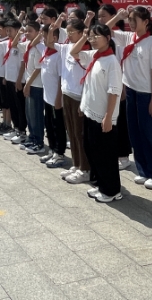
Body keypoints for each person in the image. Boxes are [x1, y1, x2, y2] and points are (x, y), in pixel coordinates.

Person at [107, 7, 152, 190]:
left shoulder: (151, 43)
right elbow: (105, 30)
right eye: (130, 20)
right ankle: (145, 170)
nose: (132, 23)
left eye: (135, 20)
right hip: (131, 92)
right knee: (135, 134)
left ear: (146, 22)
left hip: (146, 94)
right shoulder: (129, 37)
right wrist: (117, 17)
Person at [72, 23, 124, 203]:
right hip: (90, 111)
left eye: (96, 36)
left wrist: (108, 116)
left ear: (108, 39)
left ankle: (111, 190)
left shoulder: (111, 62)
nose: (92, 40)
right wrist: (85, 37)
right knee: (92, 149)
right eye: (91, 37)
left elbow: (114, 91)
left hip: (103, 116)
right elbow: (74, 53)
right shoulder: (95, 56)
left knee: (106, 154)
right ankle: (101, 185)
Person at [56, 16, 93, 184]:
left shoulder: (86, 50)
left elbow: (75, 54)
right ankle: (77, 164)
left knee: (80, 134)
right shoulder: (67, 46)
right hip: (68, 93)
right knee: (71, 133)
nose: (69, 34)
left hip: (79, 96)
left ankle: (85, 169)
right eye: (68, 31)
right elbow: (50, 42)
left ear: (81, 32)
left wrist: (85, 35)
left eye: (72, 32)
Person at [98, 4, 133, 171]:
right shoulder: (105, 38)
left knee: (120, 121)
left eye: (103, 16)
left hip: (121, 83)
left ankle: (124, 155)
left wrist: (123, 86)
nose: (100, 20)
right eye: (99, 16)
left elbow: (123, 63)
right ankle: (116, 152)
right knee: (112, 118)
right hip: (107, 84)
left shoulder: (119, 37)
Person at [37, 24, 67, 168]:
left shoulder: (58, 55)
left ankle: (59, 153)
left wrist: (58, 98)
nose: (43, 39)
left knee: (57, 126)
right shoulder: (47, 52)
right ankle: (52, 149)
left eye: (45, 36)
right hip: (47, 96)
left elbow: (61, 78)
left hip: (56, 99)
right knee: (48, 125)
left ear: (54, 38)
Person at [20, 21, 46, 154]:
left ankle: (39, 142)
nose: (27, 33)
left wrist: (28, 84)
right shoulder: (28, 46)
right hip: (29, 83)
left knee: (36, 114)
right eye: (26, 30)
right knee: (29, 114)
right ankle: (32, 137)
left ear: (38, 33)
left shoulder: (40, 48)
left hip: (36, 85)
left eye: (30, 31)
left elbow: (38, 68)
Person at [1, 20, 28, 143]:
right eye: (7, 30)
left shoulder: (22, 43)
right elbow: (8, 62)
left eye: (10, 30)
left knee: (20, 107)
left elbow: (22, 64)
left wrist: (18, 80)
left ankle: (22, 131)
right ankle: (16, 128)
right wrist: (6, 77)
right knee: (12, 106)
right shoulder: (8, 43)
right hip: (10, 79)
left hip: (19, 80)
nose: (8, 33)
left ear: (18, 31)